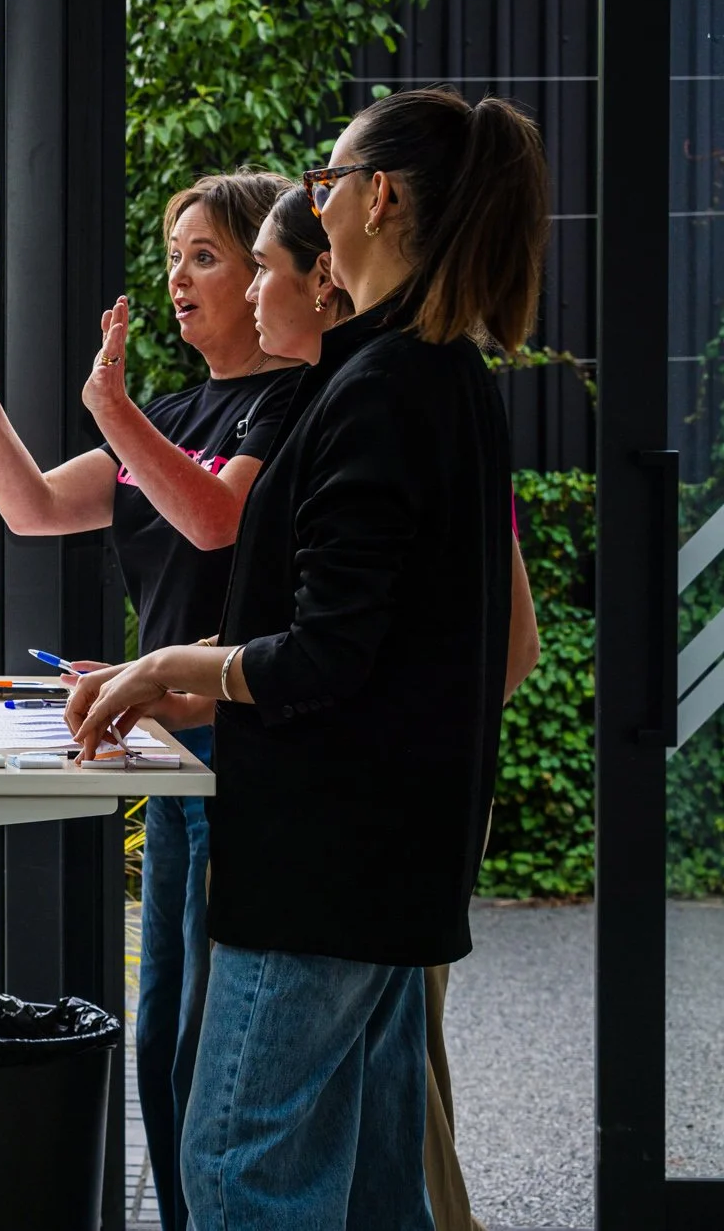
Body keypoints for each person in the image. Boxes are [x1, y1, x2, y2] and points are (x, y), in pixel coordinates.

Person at [66, 87, 549, 1230]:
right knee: (375, 1176)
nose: (313, 210)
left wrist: (166, 666)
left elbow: (331, 653)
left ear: (376, 199)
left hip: (328, 859)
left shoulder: (378, 390)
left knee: (239, 1163)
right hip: (388, 853)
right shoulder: (436, 378)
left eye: (323, 186)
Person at [0, 171, 303, 1231]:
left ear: (264, 268)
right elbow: (26, 507)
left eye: (201, 254)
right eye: (171, 254)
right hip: (168, 766)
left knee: (215, 1054)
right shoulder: (170, 409)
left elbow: (213, 523)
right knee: (158, 1041)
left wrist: (111, 413)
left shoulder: (291, 397)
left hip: (250, 764)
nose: (176, 277)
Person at [250, 183, 543, 1231]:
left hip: (363, 827)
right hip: (380, 820)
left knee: (386, 1141)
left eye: (255, 266)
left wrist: (393, 736)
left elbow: (504, 647)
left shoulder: (387, 403)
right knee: (380, 1144)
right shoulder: (386, 396)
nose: (244, 291)